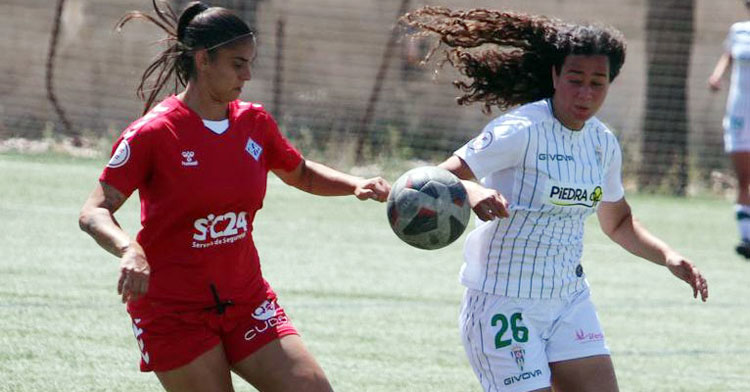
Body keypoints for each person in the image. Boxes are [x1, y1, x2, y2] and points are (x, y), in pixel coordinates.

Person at [78, 2, 390, 391]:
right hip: (173, 311)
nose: (248, 74)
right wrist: (129, 249)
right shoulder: (153, 134)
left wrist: (354, 184)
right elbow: (94, 211)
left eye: (250, 63)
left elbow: (302, 173)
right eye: (237, 63)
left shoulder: (254, 122)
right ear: (203, 59)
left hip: (246, 299)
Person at [402, 7, 709, 392]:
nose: (585, 93)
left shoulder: (602, 144)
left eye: (597, 82)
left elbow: (617, 221)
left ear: (609, 84)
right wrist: (475, 189)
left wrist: (668, 257)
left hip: (568, 302)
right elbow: (440, 175)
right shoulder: (521, 130)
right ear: (555, 76)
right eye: (575, 79)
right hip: (503, 303)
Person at [708, 0, 750, 259]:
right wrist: (716, 77)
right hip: (739, 114)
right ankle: (746, 238)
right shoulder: (739, 31)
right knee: (744, 178)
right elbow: (728, 57)